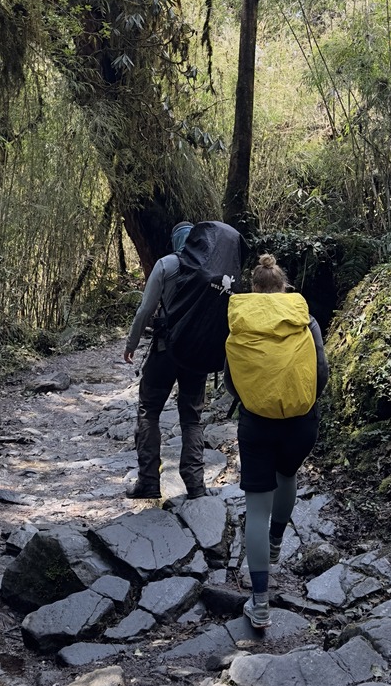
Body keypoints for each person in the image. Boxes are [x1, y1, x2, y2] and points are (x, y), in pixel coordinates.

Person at [224, 253, 327, 598]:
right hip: (302, 423)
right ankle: (276, 541)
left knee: (256, 510)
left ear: (254, 288)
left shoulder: (241, 321)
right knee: (287, 475)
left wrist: (255, 400)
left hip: (256, 424)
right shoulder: (305, 320)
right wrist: (303, 402)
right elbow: (322, 372)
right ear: (284, 287)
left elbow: (231, 378)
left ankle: (260, 604)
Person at [125, 219, 240, 498]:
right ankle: (195, 484)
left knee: (149, 410)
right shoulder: (213, 271)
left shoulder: (166, 265)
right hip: (197, 354)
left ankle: (148, 482)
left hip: (165, 351)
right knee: (192, 419)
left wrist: (132, 343)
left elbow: (145, 310)